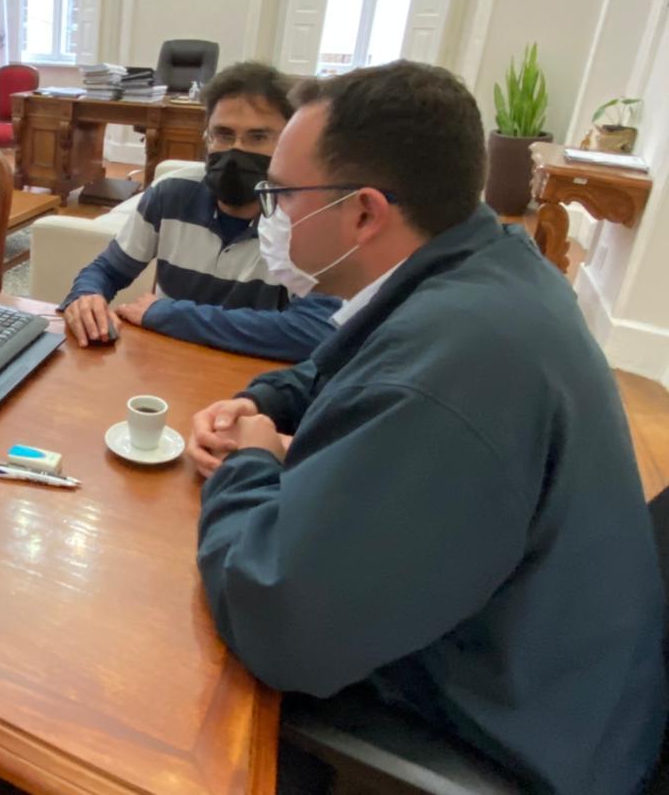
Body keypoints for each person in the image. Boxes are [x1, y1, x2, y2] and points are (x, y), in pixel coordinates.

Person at [189, 61, 666, 793]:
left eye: (282, 195)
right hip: (541, 677)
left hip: (492, 737)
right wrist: (267, 405)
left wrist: (251, 463)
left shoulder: (448, 370)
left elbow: (278, 625)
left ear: (364, 213)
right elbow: (337, 363)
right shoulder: (484, 265)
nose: (271, 214)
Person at [58, 61, 338, 360]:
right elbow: (107, 270)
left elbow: (316, 331)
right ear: (207, 137)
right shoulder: (171, 194)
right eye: (224, 134)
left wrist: (173, 316)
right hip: (166, 369)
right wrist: (86, 297)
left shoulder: (306, 217)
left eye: (257, 137)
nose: (236, 150)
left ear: (287, 142)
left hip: (252, 385)